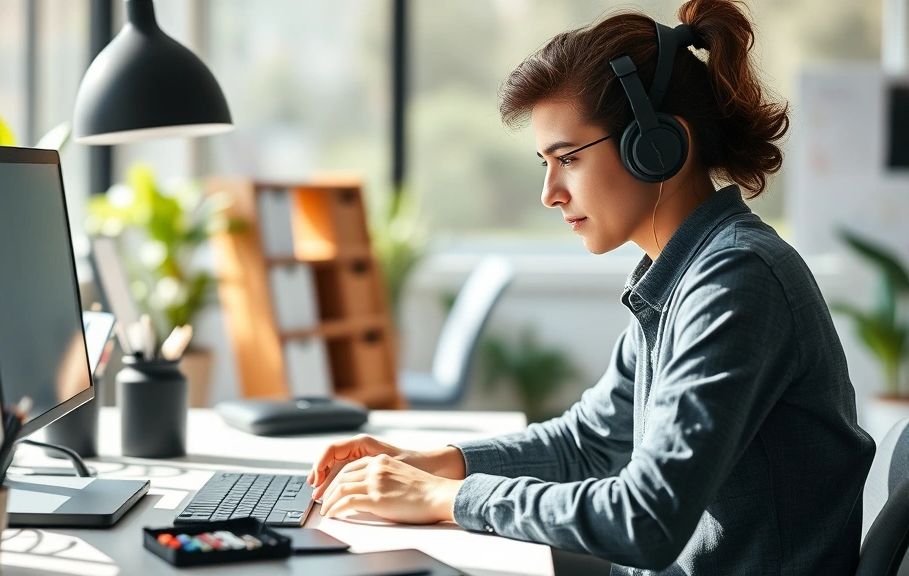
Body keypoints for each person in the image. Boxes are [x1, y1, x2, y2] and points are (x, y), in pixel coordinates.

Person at [306, 0, 876, 573]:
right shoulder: (680, 275)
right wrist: (433, 463)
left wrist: (444, 500)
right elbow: (588, 443)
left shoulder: (736, 282)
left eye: (568, 159)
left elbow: (646, 518)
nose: (550, 192)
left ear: (658, 148)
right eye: (543, 163)